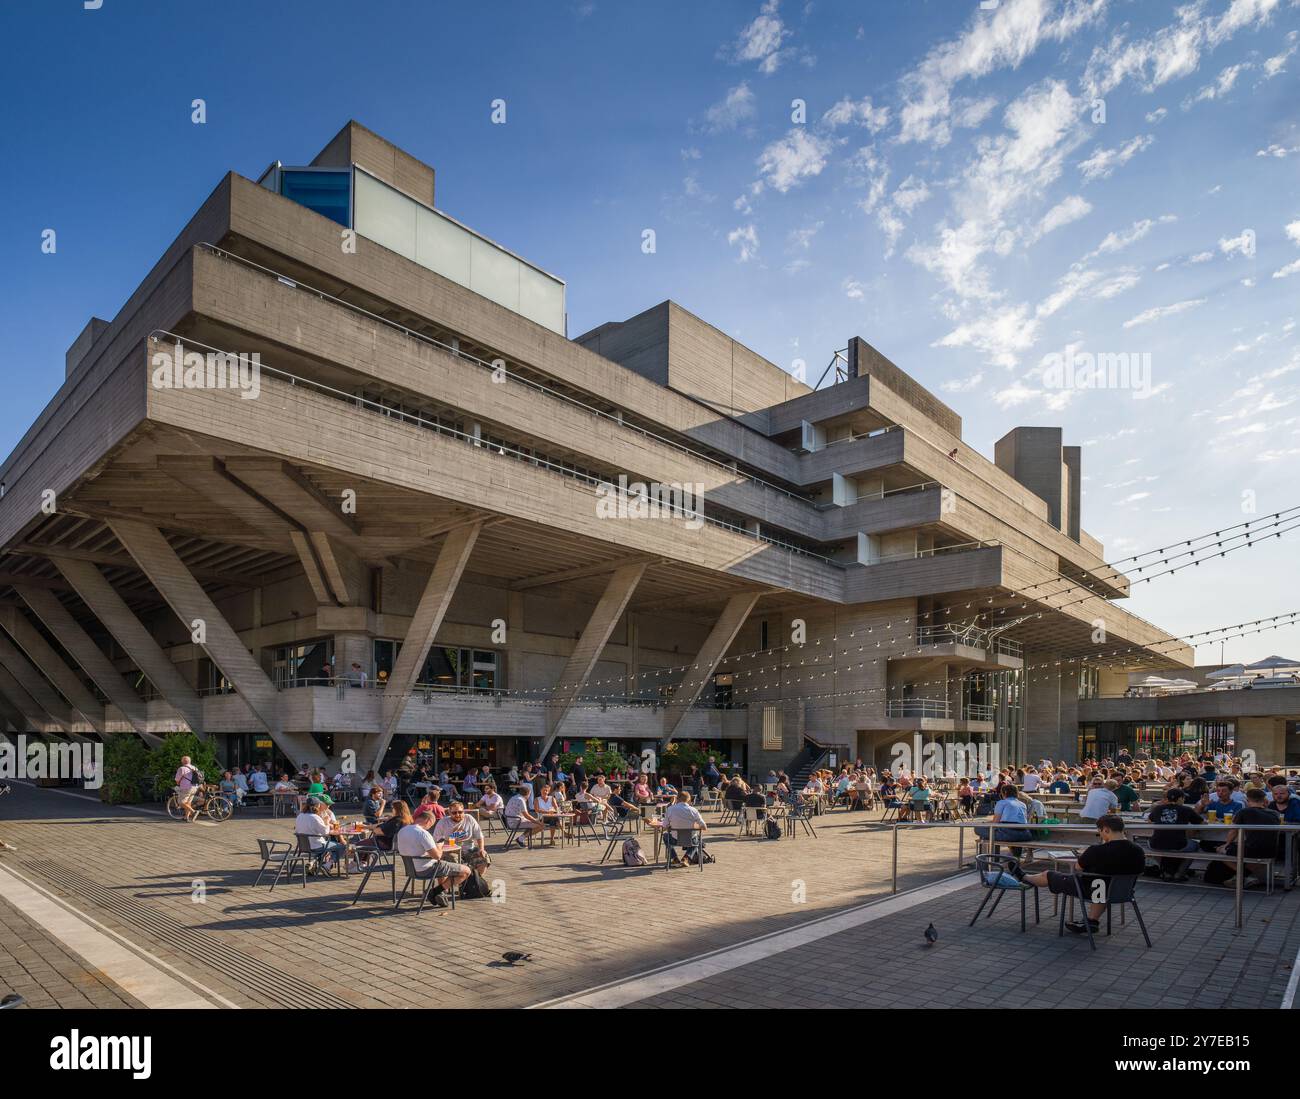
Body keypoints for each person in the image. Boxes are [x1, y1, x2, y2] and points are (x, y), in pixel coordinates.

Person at [1021, 815, 1146, 935]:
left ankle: (1024, 877)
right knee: (1101, 883)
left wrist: (1087, 853)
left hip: (1091, 890)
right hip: (1122, 892)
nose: (1100, 835)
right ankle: (1091, 922)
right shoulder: (1138, 850)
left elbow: (1078, 867)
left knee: (1048, 874)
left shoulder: (1097, 850)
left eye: (1100, 832)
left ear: (1106, 830)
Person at [1203, 788, 1279, 888]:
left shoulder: (1244, 811)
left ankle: (1243, 875)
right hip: (1271, 851)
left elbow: (1233, 830)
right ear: (1264, 800)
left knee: (1219, 850)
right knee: (1249, 852)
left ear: (1247, 800)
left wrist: (1226, 844)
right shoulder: (1274, 813)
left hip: (1252, 850)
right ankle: (1244, 876)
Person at [396, 810, 469, 907]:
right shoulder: (423, 833)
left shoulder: (402, 831)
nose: (429, 827)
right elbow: (437, 856)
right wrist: (439, 845)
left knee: (445, 865)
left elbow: (412, 850)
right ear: (428, 821)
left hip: (411, 869)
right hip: (426, 868)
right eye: (431, 825)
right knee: (466, 871)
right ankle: (435, 892)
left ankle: (437, 892)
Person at [1147, 788, 1203, 880]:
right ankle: (1180, 873)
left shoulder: (1158, 808)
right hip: (1179, 845)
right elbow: (1201, 823)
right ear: (1180, 799)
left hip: (1155, 844)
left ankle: (1166, 871)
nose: (1184, 800)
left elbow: (1149, 820)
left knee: (1157, 845)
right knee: (1196, 845)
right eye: (1184, 798)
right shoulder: (1186, 809)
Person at [295, 796, 345, 873]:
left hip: (303, 845)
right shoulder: (315, 817)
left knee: (325, 848)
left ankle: (313, 863)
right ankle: (327, 865)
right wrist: (327, 822)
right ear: (317, 806)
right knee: (341, 846)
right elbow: (325, 832)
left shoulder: (300, 816)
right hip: (316, 845)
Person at [663, 791, 708, 865]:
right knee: (698, 839)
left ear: (677, 799)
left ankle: (674, 858)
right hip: (690, 839)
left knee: (665, 836)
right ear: (688, 800)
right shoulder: (693, 810)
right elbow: (704, 827)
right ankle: (686, 858)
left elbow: (664, 826)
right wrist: (695, 826)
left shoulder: (670, 809)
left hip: (675, 840)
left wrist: (672, 825)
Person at [174, 756, 204, 823]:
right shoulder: (195, 768)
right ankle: (186, 817)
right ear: (189, 761)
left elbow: (177, 780)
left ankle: (194, 811)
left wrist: (179, 782)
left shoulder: (181, 768)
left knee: (181, 802)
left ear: (182, 761)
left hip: (186, 787)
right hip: (194, 787)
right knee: (188, 802)